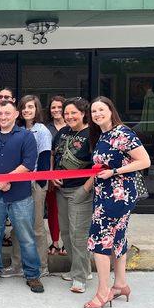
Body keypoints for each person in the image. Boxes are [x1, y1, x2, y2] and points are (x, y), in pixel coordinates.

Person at [85, 96, 151, 308]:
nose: (97, 114)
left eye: (101, 109)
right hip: (105, 194)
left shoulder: (122, 133)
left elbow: (144, 161)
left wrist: (115, 171)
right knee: (117, 237)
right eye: (94, 111)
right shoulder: (103, 135)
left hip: (118, 195)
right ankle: (121, 284)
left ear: (111, 110)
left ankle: (103, 291)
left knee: (99, 239)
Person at [0, 100, 44, 293]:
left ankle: (33, 274)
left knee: (26, 237)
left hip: (20, 195)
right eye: (0, 114)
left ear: (16, 114)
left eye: (7, 113)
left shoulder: (26, 136)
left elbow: (28, 163)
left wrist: (6, 179)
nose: (3, 117)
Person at [2, 95, 51, 278]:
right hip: (18, 183)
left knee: (37, 227)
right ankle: (17, 265)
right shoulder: (19, 129)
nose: (26, 110)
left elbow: (45, 159)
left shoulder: (42, 131)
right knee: (17, 226)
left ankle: (42, 266)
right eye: (23, 107)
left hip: (35, 184)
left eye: (30, 107)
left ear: (37, 109)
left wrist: (40, 184)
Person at [51, 97, 94, 294]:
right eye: (67, 113)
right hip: (62, 189)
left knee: (78, 235)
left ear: (84, 113)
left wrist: (85, 188)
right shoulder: (62, 132)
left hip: (81, 191)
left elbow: (99, 165)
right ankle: (78, 268)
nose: (69, 117)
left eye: (73, 113)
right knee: (66, 232)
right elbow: (54, 154)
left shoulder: (92, 134)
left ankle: (80, 278)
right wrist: (53, 175)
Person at [45, 95, 67, 255]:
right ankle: (54, 242)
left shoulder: (74, 126)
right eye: (53, 107)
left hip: (72, 177)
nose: (56, 110)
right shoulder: (47, 128)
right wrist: (51, 174)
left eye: (60, 107)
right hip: (52, 175)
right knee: (53, 210)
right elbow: (49, 154)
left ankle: (67, 243)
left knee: (69, 212)